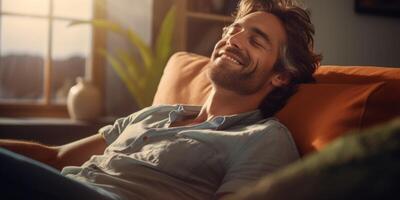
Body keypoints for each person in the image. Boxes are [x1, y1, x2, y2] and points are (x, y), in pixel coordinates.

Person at [0, 0, 321, 199]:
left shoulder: (262, 139)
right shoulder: (155, 114)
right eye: (233, 30)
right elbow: (56, 158)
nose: (232, 40)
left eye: (255, 40)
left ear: (280, 75)